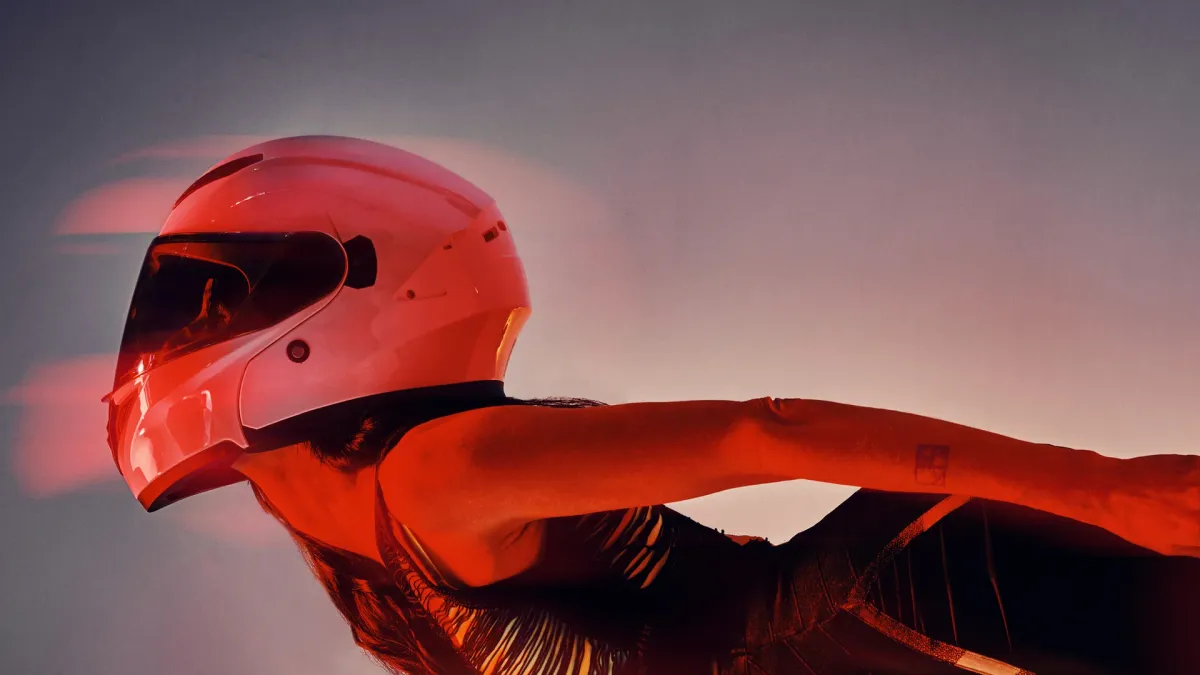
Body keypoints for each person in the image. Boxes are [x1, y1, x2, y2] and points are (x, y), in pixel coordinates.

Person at [104, 135, 1200, 675]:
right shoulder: (357, 550)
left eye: (207, 297)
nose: (170, 336)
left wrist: (1099, 487)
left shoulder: (437, 474)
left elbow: (763, 431)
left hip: (908, 611)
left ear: (334, 289)